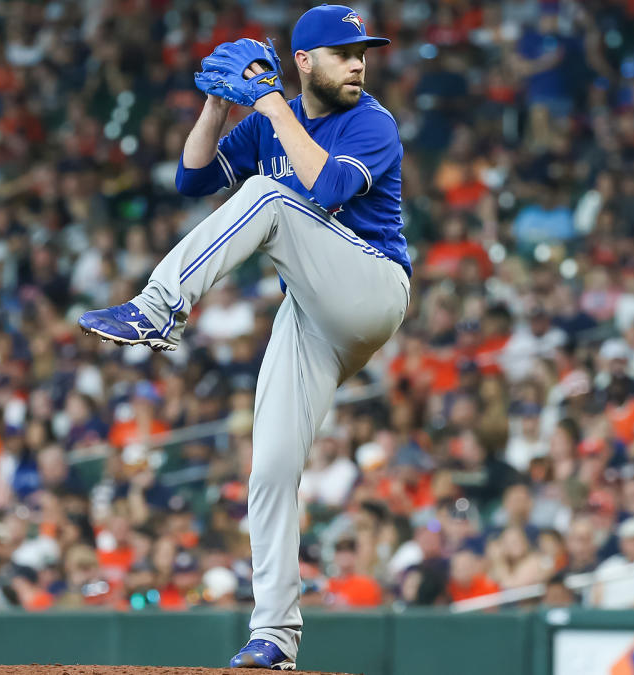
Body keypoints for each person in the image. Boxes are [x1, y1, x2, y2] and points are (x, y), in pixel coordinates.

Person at [78, 5, 406, 670]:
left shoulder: (372, 121)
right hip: (310, 315)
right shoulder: (269, 118)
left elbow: (332, 184)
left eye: (362, 52)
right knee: (272, 468)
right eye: (345, 53)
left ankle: (159, 307)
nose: (358, 63)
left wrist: (272, 105)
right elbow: (192, 180)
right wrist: (218, 106)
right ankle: (276, 637)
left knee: (272, 197)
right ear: (305, 61)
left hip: (371, 287)